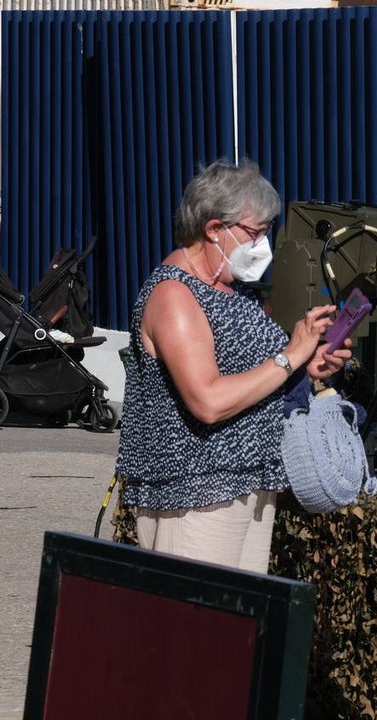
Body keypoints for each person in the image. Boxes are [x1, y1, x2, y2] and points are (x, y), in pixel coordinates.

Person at [115, 159, 352, 574]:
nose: (263, 243)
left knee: (237, 634)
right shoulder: (175, 296)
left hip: (249, 483)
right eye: (254, 232)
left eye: (267, 230)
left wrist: (306, 366)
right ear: (213, 229)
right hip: (195, 493)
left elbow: (254, 373)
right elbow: (207, 400)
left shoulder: (232, 289)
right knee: (194, 631)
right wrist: (290, 356)